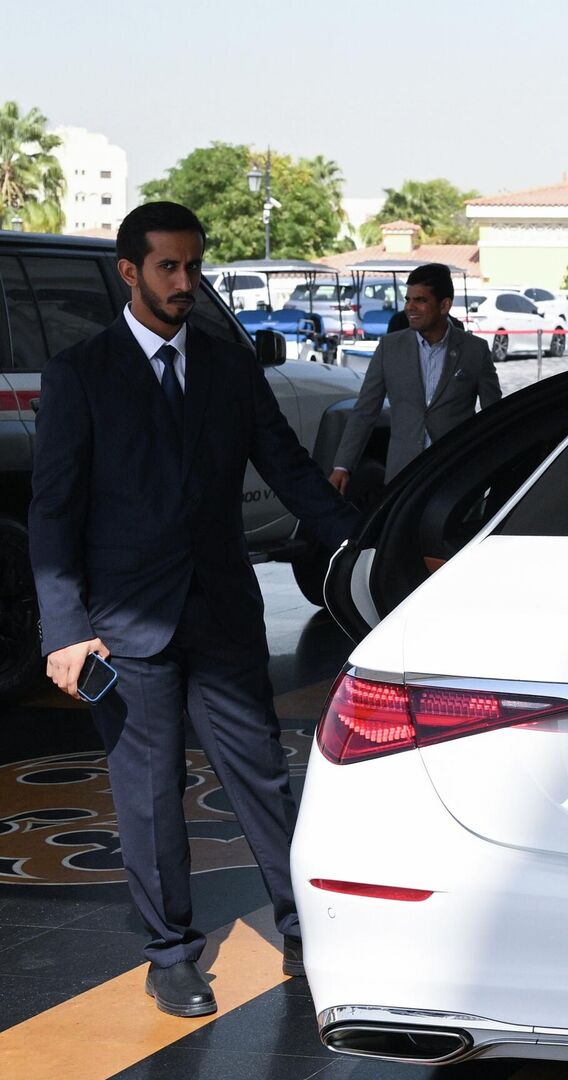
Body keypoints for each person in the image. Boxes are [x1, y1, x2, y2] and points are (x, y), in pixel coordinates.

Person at [28, 202, 359, 1017]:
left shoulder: (228, 366)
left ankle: (302, 930)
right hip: (124, 627)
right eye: (168, 267)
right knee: (148, 795)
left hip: (221, 617)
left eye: (193, 266)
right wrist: (65, 630)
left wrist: (363, 546)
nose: (185, 282)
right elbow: (54, 511)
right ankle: (170, 954)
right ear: (130, 272)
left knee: (262, 779)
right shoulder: (80, 373)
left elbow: (288, 468)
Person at [330, 262, 500, 495]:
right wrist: (342, 466)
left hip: (457, 476)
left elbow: (494, 414)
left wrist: (491, 467)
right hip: (402, 477)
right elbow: (364, 411)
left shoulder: (475, 350)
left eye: (420, 300)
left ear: (444, 305)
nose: (410, 307)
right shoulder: (389, 348)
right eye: (408, 299)